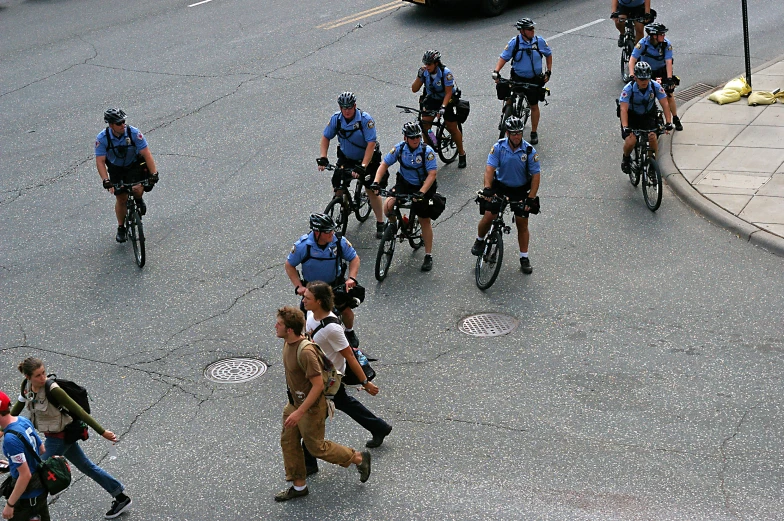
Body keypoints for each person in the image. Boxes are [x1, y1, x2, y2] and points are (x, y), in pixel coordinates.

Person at [11, 358, 132, 519]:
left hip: (59, 438)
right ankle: (121, 497)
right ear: (28, 377)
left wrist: (102, 432)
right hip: (56, 437)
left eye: (44, 373)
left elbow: (79, 411)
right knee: (86, 467)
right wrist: (3, 427)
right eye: (38, 375)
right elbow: (19, 406)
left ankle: (34, 513)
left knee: (37, 475)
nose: (43, 378)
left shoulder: (53, 390)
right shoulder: (26, 387)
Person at [275, 306, 371, 502]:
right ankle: (298, 486)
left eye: (279, 324)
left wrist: (299, 412)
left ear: (290, 329)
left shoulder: (305, 352)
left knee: (316, 447)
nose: (275, 326)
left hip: (310, 408)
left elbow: (318, 385)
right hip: (294, 403)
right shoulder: (287, 342)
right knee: (288, 441)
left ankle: (359, 458)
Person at [300, 282, 392, 475]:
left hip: (329, 380)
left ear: (319, 301)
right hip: (321, 376)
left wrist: (365, 382)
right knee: (343, 403)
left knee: (312, 419)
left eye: (307, 298)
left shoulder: (333, 329)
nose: (303, 300)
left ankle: (309, 462)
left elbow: (349, 355)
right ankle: (379, 427)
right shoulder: (310, 314)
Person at [471, 116, 541, 274]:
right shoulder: (498, 147)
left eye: (520, 133)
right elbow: (489, 169)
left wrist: (531, 197)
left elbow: (536, 176)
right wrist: (487, 188)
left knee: (522, 224)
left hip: (520, 189)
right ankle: (479, 240)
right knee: (489, 216)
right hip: (500, 187)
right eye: (514, 133)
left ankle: (524, 258)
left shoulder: (529, 150)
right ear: (507, 133)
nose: (517, 136)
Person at [285, 213, 362, 348]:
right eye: (328, 231)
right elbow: (289, 265)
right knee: (306, 316)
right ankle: (309, 340)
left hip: (335, 284)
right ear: (317, 232)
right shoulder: (303, 246)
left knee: (346, 310)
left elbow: (354, 259)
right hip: (312, 289)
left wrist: (351, 278)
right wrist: (298, 286)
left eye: (332, 230)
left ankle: (349, 331)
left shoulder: (338, 241)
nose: (332, 233)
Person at [370, 122, 438, 272]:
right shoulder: (400, 148)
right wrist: (376, 182)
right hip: (405, 183)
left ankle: (428, 255)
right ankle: (395, 226)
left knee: (424, 219)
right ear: (405, 138)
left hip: (424, 186)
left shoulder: (427, 151)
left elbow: (432, 174)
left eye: (418, 137)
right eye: (412, 137)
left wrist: (421, 192)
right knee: (388, 207)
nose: (416, 140)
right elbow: (383, 165)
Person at [317, 92, 386, 238]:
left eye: (349, 107)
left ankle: (381, 223)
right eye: (343, 107)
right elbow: (325, 137)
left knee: (371, 190)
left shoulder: (365, 120)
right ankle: (342, 204)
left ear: (355, 106)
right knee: (338, 183)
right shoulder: (337, 119)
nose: (347, 110)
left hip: (367, 158)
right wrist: (323, 157)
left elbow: (371, 144)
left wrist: (363, 166)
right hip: (346, 157)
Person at [95, 108, 160, 244]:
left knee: (137, 188)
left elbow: (147, 154)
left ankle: (138, 199)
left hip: (133, 165)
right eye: (119, 123)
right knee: (122, 198)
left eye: (124, 121)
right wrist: (106, 180)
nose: (123, 125)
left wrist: (154, 174)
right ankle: (121, 227)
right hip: (116, 168)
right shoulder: (102, 138)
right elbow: (100, 161)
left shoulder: (134, 133)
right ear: (111, 124)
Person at [492, 18, 552, 145]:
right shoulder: (515, 42)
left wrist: (548, 71)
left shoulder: (539, 41)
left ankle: (534, 132)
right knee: (508, 97)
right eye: (530, 29)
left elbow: (548, 54)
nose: (533, 31)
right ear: (522, 31)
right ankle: (505, 117)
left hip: (533, 79)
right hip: (518, 77)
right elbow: (504, 57)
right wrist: (496, 71)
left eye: (533, 28)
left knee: (534, 105)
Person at [412, 50, 466, 168]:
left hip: (448, 99)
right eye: (425, 64)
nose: (427, 66)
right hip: (432, 98)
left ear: (436, 63)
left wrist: (443, 108)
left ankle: (462, 153)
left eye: (429, 64)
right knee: (425, 124)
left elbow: (448, 93)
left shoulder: (446, 73)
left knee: (451, 126)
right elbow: (414, 89)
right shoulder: (424, 72)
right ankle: (430, 151)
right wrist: (419, 76)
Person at [1, 390, 50, 521]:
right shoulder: (22, 421)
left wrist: (10, 505)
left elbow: (25, 475)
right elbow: (41, 449)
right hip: (40, 491)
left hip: (27, 499)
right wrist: (12, 464)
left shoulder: (10, 439)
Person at [619, 61, 673, 174]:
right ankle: (626, 158)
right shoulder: (628, 89)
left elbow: (665, 104)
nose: (644, 82)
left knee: (652, 137)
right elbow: (623, 109)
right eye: (641, 79)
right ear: (636, 78)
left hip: (648, 114)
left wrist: (668, 122)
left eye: (646, 79)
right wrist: (625, 127)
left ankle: (652, 165)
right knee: (631, 140)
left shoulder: (655, 86)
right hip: (632, 116)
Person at [629, 22, 682, 131]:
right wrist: (631, 75)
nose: (664, 36)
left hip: (661, 71)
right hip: (646, 72)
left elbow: (668, 62)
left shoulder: (666, 44)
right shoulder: (642, 43)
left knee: (669, 94)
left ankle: (675, 118)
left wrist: (669, 79)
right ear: (654, 35)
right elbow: (632, 60)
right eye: (661, 34)